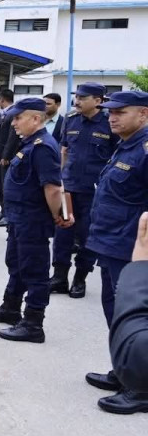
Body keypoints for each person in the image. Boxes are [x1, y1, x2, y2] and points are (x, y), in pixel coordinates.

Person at [0, 98, 72, 343]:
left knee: (35, 271)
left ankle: (33, 323)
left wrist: (56, 216)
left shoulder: (42, 146)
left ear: (35, 118)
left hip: (33, 220)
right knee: (17, 265)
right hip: (19, 219)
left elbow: (53, 188)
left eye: (18, 118)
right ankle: (11, 307)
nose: (14, 124)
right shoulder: (29, 144)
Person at [83, 90, 148, 405]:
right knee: (117, 313)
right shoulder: (126, 145)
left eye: (121, 112)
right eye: (110, 111)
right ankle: (126, 372)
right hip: (111, 244)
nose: (112, 116)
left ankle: (142, 388)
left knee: (137, 317)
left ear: (144, 114)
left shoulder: (146, 150)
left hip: (131, 250)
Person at [50, 83, 118, 298]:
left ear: (98, 101)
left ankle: (80, 278)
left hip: (93, 192)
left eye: (83, 97)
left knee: (87, 236)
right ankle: (59, 277)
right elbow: (65, 151)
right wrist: (60, 179)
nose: (77, 101)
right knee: (62, 234)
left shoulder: (109, 123)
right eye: (76, 97)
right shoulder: (71, 119)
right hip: (68, 190)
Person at [104, 213, 148, 414]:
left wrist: (140, 270)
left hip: (128, 231)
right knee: (112, 299)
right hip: (113, 232)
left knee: (131, 303)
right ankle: (123, 371)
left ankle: (139, 386)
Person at [0, 89, 20, 228]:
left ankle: (8, 215)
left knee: (5, 186)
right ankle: (3, 210)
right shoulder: (6, 113)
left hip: (5, 157)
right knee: (0, 184)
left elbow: (11, 137)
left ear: (1, 100)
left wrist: (6, 155)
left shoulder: (12, 113)